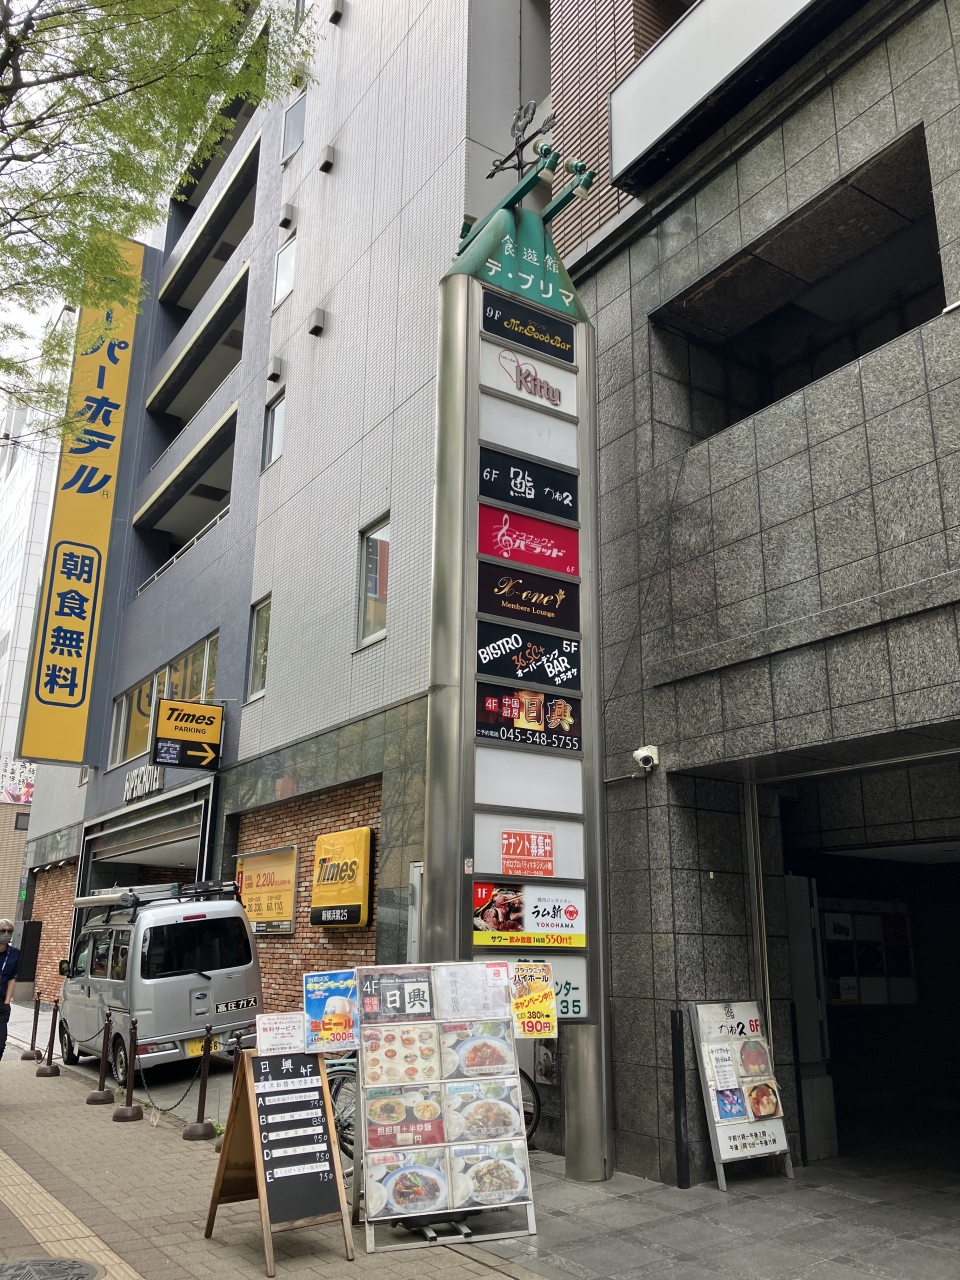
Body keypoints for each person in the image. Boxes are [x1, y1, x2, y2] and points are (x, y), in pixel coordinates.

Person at [0, 920, 19, 1060]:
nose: (6, 934)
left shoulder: (14, 953)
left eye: (9, 931)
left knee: (1, 1044)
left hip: (1, 1003)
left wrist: (7, 1001)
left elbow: (12, 978)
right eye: (2, 931)